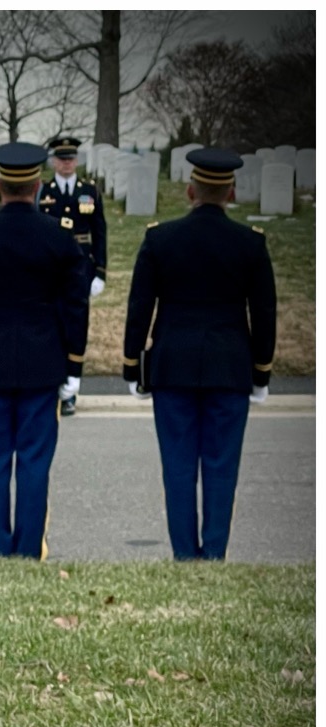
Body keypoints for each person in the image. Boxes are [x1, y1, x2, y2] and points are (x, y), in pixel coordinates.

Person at [123, 148, 276, 562]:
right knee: (221, 468)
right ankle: (215, 554)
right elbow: (263, 313)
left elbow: (140, 307)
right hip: (230, 367)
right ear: (231, 193)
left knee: (178, 468)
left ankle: (185, 557)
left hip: (173, 365)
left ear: (190, 191)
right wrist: (262, 372)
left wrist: (132, 365)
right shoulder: (249, 244)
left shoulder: (160, 238)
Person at [0, 142, 90, 560]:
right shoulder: (59, 239)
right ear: (39, 186)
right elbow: (76, 306)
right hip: (43, 364)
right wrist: (74, 365)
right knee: (34, 462)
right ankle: (27, 551)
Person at [38, 136, 107, 416]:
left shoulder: (89, 191)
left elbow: (100, 232)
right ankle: (53, 382)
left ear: (76, 161)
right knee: (52, 327)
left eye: (70, 158)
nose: (66, 163)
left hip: (80, 267)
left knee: (75, 327)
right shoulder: (44, 191)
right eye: (61, 158)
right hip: (51, 268)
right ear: (54, 161)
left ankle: (71, 390)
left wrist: (100, 271)